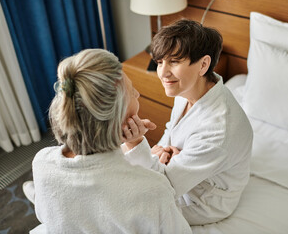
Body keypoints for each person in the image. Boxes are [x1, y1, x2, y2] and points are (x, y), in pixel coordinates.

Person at [29, 49, 192, 234]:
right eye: (131, 91)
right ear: (120, 118)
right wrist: (156, 177)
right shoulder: (153, 191)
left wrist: (136, 145)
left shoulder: (42, 162)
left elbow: (46, 217)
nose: (137, 94)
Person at [122, 19, 253, 225]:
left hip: (203, 200)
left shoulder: (218, 128)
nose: (163, 73)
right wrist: (160, 152)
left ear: (203, 64)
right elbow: (172, 129)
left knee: (124, 207)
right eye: (159, 62)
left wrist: (136, 143)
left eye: (174, 61)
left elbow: (164, 188)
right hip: (180, 172)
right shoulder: (190, 87)